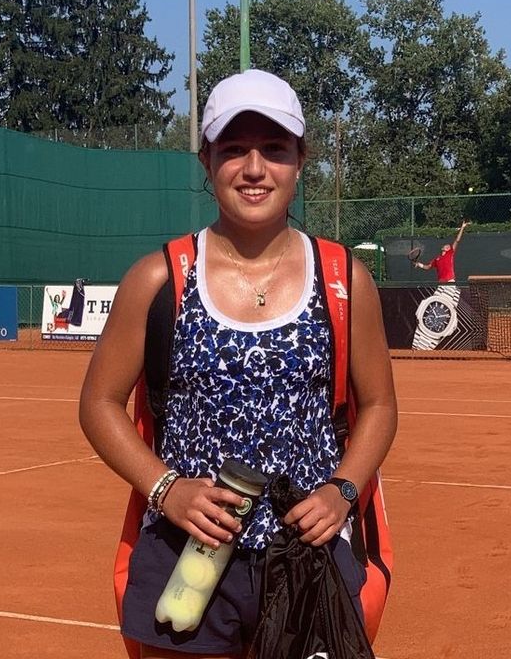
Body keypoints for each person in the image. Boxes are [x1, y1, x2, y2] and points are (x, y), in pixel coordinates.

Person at [78, 69, 398, 659]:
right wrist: (166, 489)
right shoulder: (158, 278)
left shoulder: (344, 280)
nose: (254, 168)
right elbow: (98, 404)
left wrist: (342, 491)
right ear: (206, 161)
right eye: (233, 150)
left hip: (307, 556)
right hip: (187, 554)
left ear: (300, 161)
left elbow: (378, 404)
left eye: (274, 148)